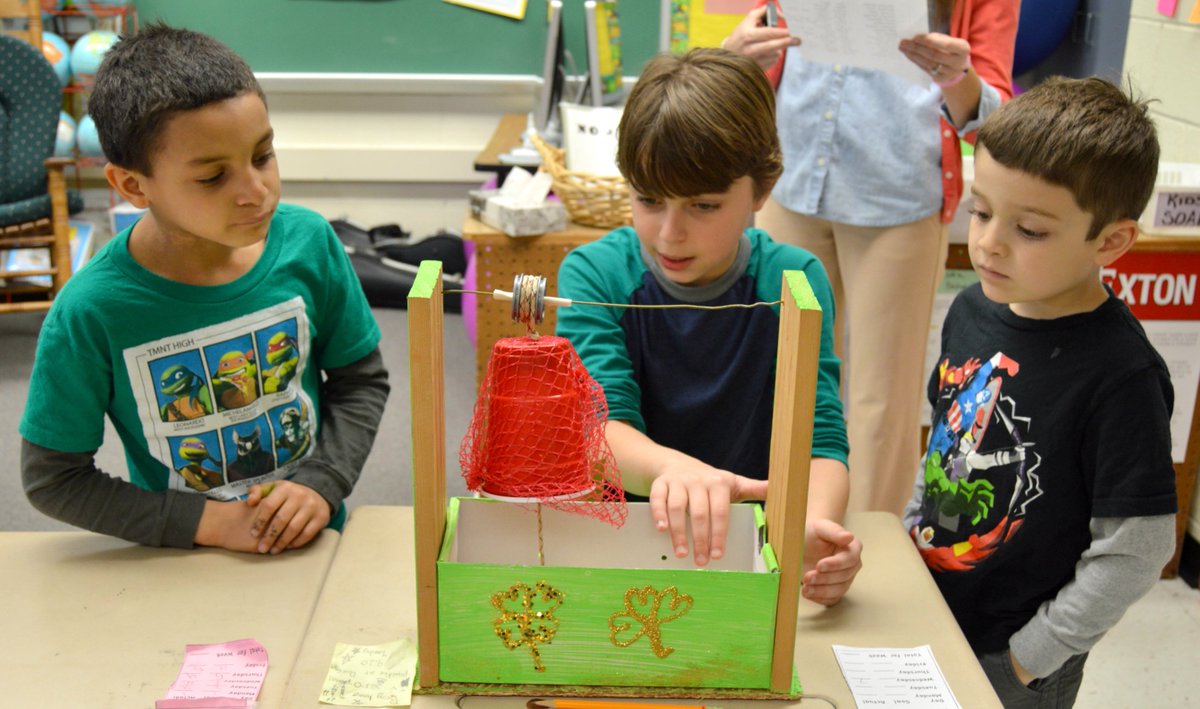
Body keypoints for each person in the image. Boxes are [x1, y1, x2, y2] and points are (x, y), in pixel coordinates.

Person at [19, 24, 390, 555]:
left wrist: (322, 480)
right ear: (132, 185)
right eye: (213, 177)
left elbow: (361, 383)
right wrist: (208, 524)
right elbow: (53, 479)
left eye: (262, 155)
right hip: (183, 562)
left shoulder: (309, 242)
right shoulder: (91, 312)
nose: (256, 192)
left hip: (314, 544)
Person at [902, 77, 1177, 706]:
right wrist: (911, 533)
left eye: (1029, 230)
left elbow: (1138, 547)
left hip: (1015, 658)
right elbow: (945, 440)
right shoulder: (971, 308)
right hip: (933, 613)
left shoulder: (1121, 376)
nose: (990, 241)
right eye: (981, 211)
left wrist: (1033, 657)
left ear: (1110, 241)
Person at [556, 48, 861, 606]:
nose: (670, 233)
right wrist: (679, 472)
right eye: (648, 199)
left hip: (742, 554)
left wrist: (809, 532)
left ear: (761, 190)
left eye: (702, 205)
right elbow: (598, 430)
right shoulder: (593, 274)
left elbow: (819, 439)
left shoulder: (794, 280)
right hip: (616, 547)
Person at [723, 0, 1018, 514]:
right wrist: (735, 57)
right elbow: (762, 42)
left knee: (878, 405)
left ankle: (864, 556)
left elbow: (997, 119)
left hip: (896, 199)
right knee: (777, 377)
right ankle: (768, 533)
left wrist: (958, 77)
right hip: (788, 182)